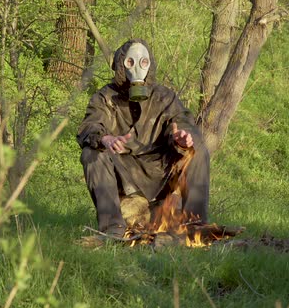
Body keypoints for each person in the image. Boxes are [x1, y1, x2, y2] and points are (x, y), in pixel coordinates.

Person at [77, 39, 210, 237]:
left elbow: (182, 121)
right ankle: (113, 229)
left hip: (160, 169)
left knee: (197, 146)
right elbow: (89, 126)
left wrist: (182, 137)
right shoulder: (105, 97)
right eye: (131, 63)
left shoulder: (164, 97)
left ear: (150, 65)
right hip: (123, 171)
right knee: (91, 153)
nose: (137, 69)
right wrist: (106, 139)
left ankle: (194, 227)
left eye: (143, 63)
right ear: (121, 64)